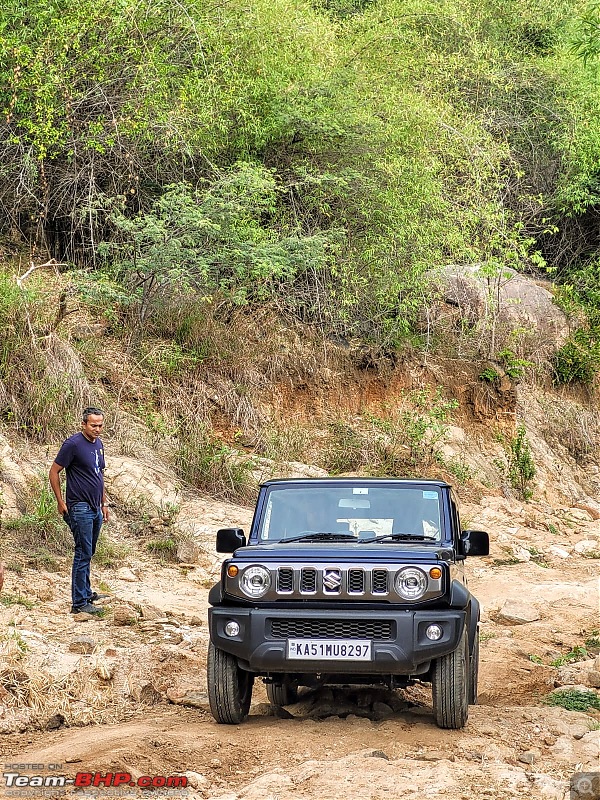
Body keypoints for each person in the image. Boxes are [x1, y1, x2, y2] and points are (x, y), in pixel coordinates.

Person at [49, 407, 109, 615]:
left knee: (89, 551)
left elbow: (99, 475)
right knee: (82, 552)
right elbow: (54, 471)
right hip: (79, 506)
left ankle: (87, 592)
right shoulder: (73, 444)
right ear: (83, 424)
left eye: (100, 425)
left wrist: (104, 504)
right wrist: (60, 501)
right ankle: (79, 603)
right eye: (93, 425)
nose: (97, 429)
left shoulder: (99, 444)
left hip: (95, 507)